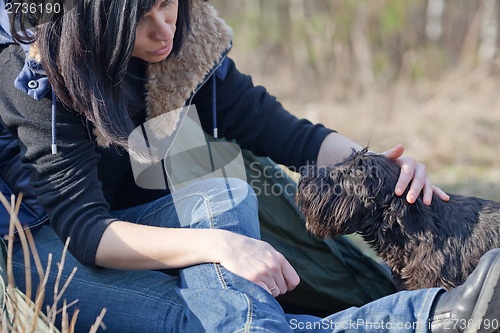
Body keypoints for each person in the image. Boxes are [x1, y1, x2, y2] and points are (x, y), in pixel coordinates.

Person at [0, 0, 499, 332]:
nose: (164, 30)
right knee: (195, 323)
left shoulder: (185, 48)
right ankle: (431, 317)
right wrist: (219, 244)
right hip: (50, 240)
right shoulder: (38, 75)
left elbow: (279, 129)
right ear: (97, 18)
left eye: (169, 5)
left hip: (148, 213)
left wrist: (386, 168)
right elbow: (86, 230)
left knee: (230, 189)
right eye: (141, 19)